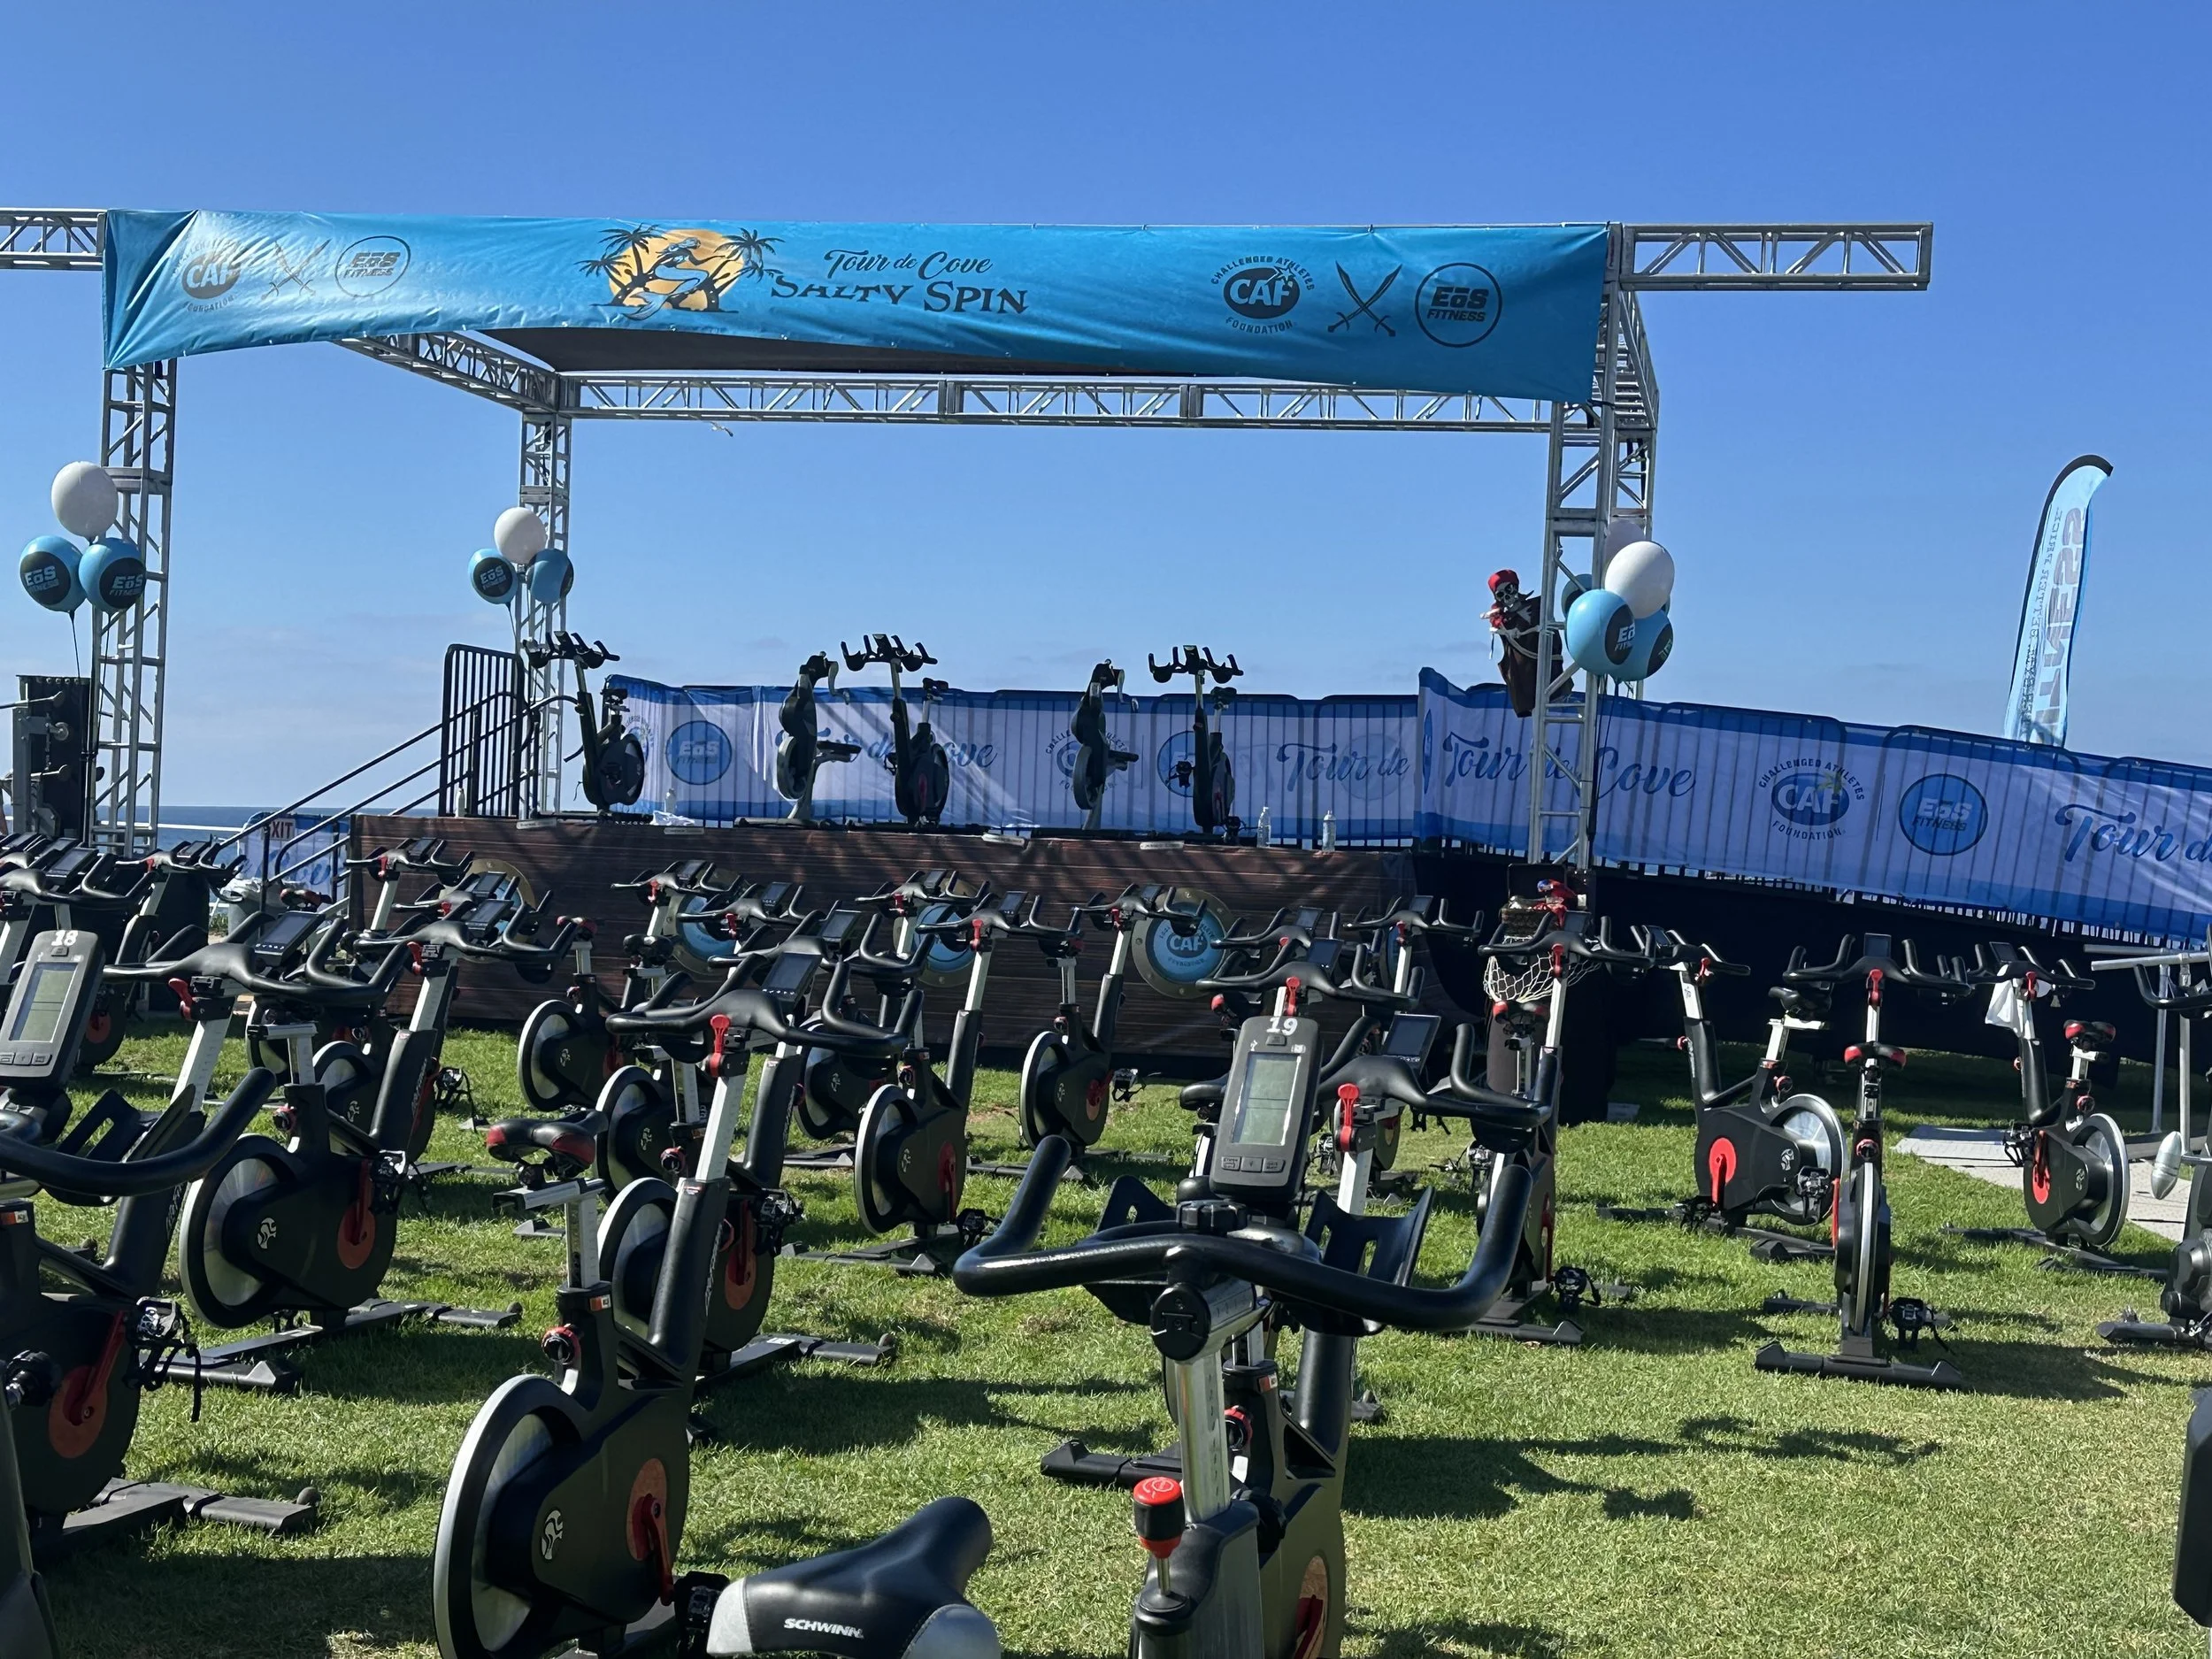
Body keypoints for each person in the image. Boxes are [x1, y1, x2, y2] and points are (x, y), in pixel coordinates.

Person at [1486, 569, 1540, 718]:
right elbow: (1497, 626)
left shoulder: (1538, 606)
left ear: (1516, 587)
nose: (1507, 596)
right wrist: (1508, 632)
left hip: (1549, 677)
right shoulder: (1503, 621)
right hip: (1525, 687)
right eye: (1501, 594)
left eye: (1509, 589)